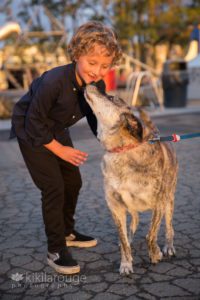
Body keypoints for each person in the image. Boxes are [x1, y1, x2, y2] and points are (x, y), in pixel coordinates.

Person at [10, 21, 122, 275]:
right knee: (54, 187)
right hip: (31, 130)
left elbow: (97, 120)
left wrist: (113, 143)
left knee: (73, 182)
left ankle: (67, 232)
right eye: (92, 63)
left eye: (105, 66)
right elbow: (34, 121)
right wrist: (60, 150)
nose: (98, 71)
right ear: (76, 55)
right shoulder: (53, 81)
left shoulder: (96, 86)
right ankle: (55, 249)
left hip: (56, 129)